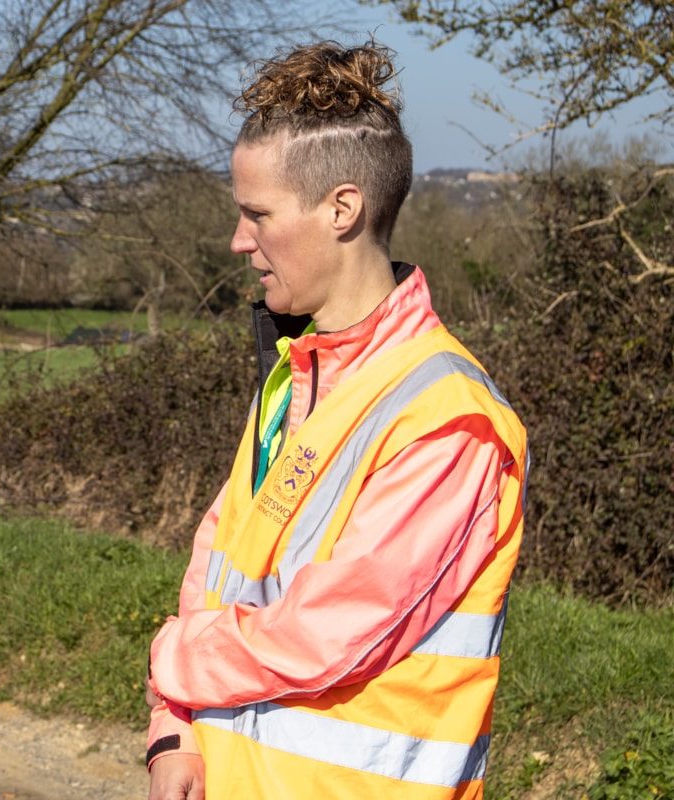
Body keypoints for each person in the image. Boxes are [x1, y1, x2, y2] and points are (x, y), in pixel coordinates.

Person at [145, 41, 529, 800]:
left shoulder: (449, 419)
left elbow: (324, 633)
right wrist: (173, 728)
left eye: (257, 215)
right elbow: (217, 570)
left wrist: (167, 659)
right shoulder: (297, 376)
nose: (238, 241)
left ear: (342, 209)